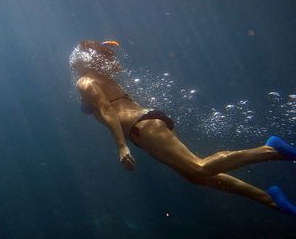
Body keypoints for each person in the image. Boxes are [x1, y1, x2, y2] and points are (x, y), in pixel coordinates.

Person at [69, 39, 296, 216]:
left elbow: (107, 110)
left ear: (82, 60)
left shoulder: (85, 82)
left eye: (75, 58)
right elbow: (106, 104)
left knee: (199, 167)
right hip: (147, 124)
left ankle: (271, 150)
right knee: (196, 176)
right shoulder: (98, 77)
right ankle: (268, 198)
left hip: (143, 127)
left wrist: (121, 146)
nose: (72, 63)